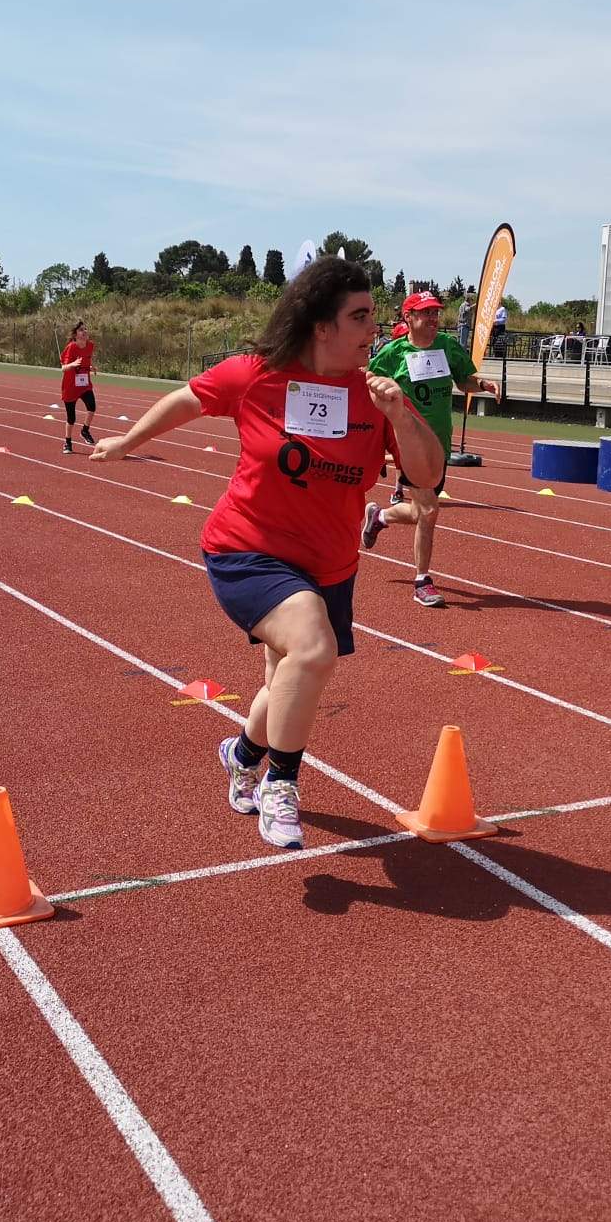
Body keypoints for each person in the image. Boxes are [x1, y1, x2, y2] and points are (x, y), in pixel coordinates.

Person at [90, 257, 440, 850]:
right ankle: (281, 784)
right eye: (359, 318)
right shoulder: (257, 375)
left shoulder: (375, 394)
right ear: (320, 326)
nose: (372, 331)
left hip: (330, 564)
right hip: (247, 550)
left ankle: (242, 753)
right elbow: (187, 399)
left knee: (287, 678)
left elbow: (427, 478)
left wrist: (401, 416)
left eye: (373, 318)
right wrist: (127, 441)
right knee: (312, 647)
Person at [360, 289, 498, 608]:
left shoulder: (447, 346)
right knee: (430, 510)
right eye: (426, 313)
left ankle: (379, 516)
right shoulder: (393, 353)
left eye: (436, 313)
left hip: (440, 442)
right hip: (408, 443)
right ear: (409, 318)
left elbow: (464, 379)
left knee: (421, 510)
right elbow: (368, 385)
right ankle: (422, 580)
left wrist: (482, 385)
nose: (434, 319)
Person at [58, 320, 98, 452]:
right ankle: (67, 442)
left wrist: (90, 367)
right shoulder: (71, 347)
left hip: (84, 384)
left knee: (92, 407)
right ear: (75, 335)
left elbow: (86, 361)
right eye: (81, 329)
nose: (84, 331)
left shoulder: (90, 345)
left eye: (85, 329)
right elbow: (63, 368)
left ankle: (85, 430)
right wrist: (73, 364)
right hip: (70, 386)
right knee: (71, 418)